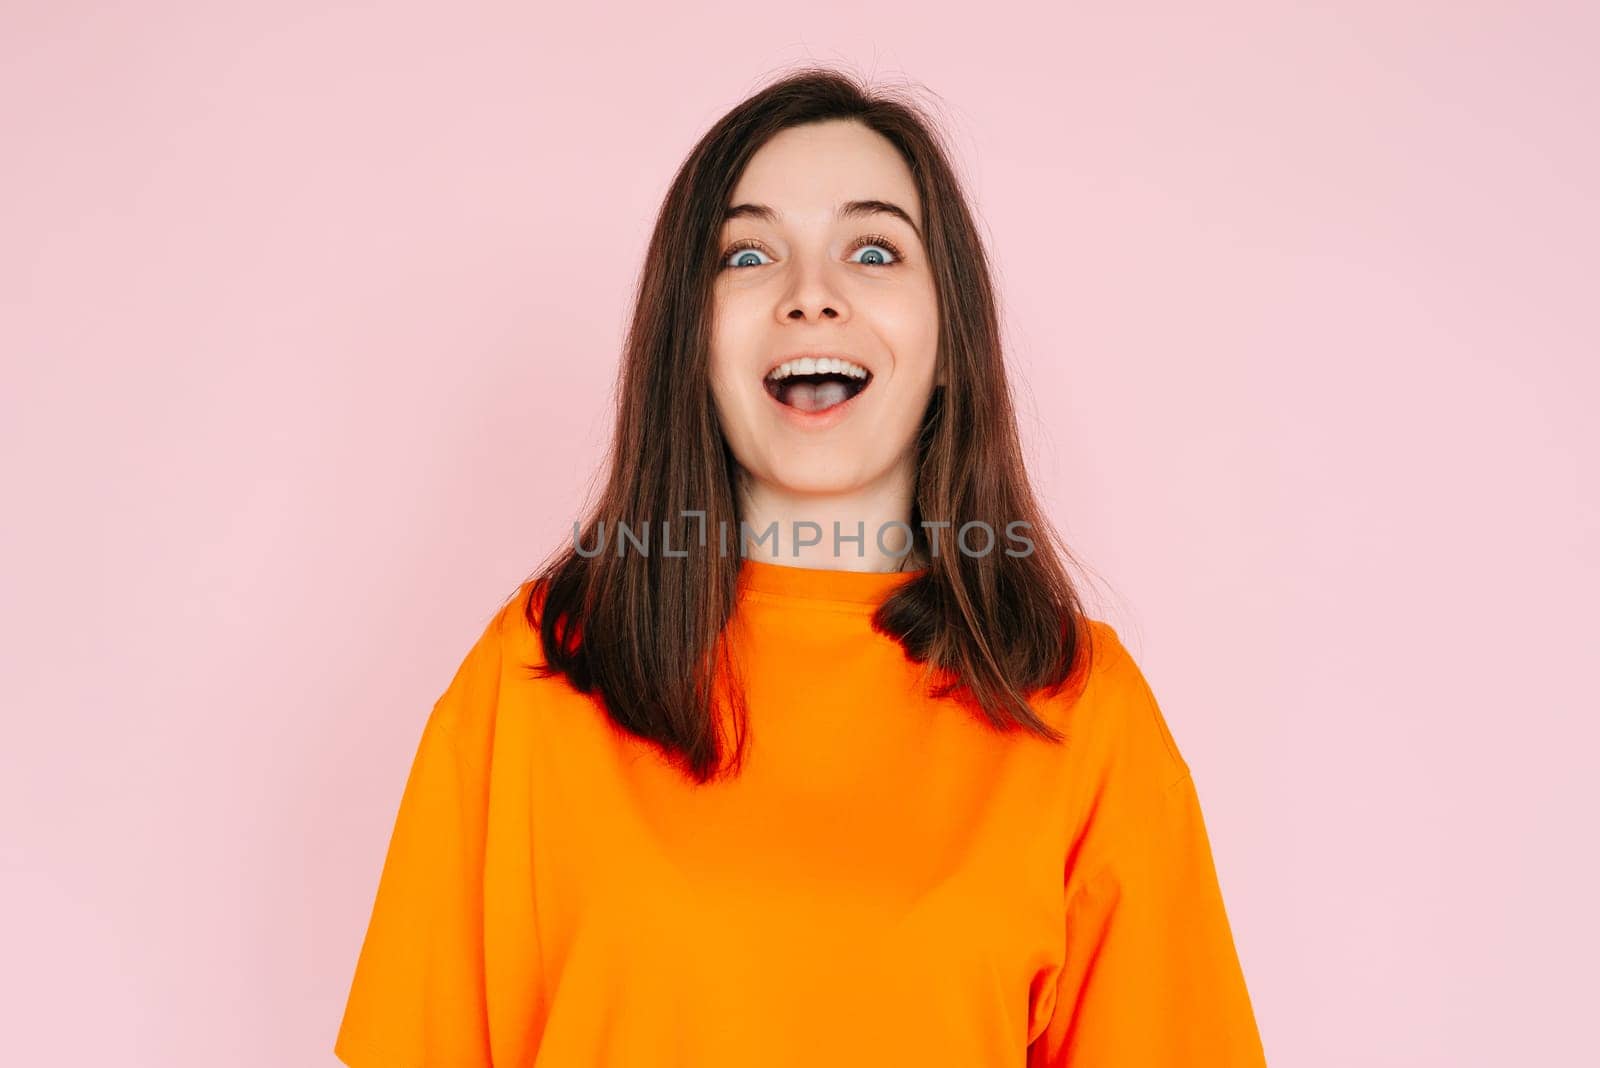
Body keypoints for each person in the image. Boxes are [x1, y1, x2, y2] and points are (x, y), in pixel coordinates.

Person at [334, 67, 1267, 1066]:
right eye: (747, 255)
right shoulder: (538, 671)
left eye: (872, 251)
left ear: (952, 341)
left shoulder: (1081, 709)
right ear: (688, 339)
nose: (810, 298)